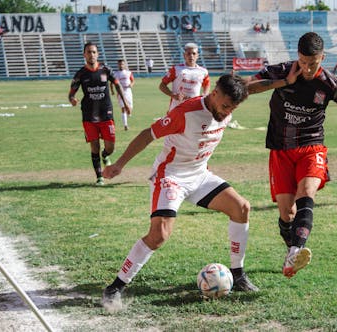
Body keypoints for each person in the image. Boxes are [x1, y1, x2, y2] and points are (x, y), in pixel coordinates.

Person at [101, 74, 258, 312]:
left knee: (241, 208)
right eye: (225, 106)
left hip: (200, 175)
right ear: (214, 93)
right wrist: (119, 164)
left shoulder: (227, 104)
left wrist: (287, 79)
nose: (227, 113)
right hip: (171, 176)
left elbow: (257, 86)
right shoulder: (186, 113)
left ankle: (238, 274)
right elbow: (147, 134)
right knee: (159, 235)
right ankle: (115, 287)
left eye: (232, 109)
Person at [245, 32, 337, 279]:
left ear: (323, 58)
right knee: (286, 214)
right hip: (281, 149)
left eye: (314, 63)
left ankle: (296, 249)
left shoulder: (330, 83)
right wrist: (284, 83)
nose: (308, 69)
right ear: (298, 56)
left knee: (306, 193)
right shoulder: (282, 71)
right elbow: (246, 87)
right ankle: (291, 252)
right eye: (304, 62)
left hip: (312, 146)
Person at [68, 41, 130, 186]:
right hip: (89, 115)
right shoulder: (80, 74)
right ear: (84, 55)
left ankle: (105, 155)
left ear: (98, 54)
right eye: (89, 52)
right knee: (94, 146)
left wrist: (126, 103)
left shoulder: (106, 69)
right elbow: (71, 93)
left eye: (94, 52)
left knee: (110, 147)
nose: (92, 54)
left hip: (106, 114)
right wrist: (72, 100)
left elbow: (116, 84)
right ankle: (99, 176)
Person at [159, 43, 210, 112]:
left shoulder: (203, 71)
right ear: (184, 55)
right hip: (175, 109)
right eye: (188, 53)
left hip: (194, 109)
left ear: (197, 55)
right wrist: (173, 95)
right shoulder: (176, 69)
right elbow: (162, 85)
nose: (191, 56)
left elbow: (207, 84)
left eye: (194, 53)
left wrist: (205, 94)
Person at [110, 59, 134, 131]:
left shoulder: (128, 73)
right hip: (120, 92)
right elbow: (111, 83)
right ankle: (125, 125)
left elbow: (132, 80)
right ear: (118, 65)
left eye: (122, 64)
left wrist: (131, 85)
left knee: (130, 107)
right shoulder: (115, 74)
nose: (121, 65)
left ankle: (129, 112)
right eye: (120, 64)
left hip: (128, 91)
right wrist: (112, 91)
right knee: (123, 108)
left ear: (124, 65)